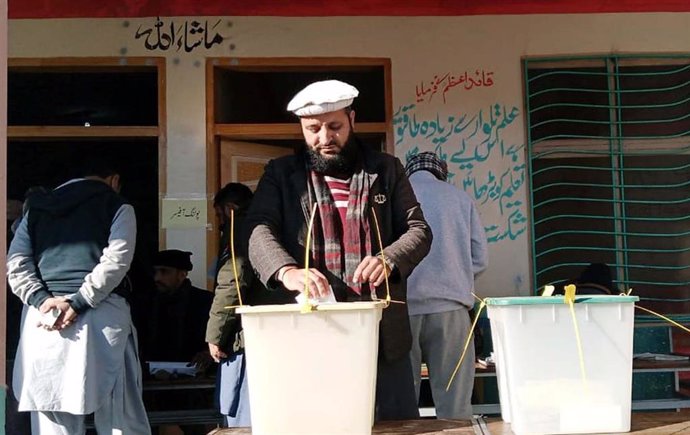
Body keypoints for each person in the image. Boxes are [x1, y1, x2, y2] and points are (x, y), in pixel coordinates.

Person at [245, 79, 432, 420]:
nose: (324, 139)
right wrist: (287, 271)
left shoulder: (386, 169)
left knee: (394, 426)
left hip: (382, 337)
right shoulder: (281, 174)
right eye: (313, 129)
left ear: (352, 120)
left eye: (334, 127)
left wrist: (389, 258)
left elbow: (418, 230)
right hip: (310, 332)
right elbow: (258, 229)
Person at [7, 161, 150, 435]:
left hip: (44, 320)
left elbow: (16, 263)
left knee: (53, 415)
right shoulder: (118, 206)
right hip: (102, 314)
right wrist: (79, 301)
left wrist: (41, 300)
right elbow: (116, 260)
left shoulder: (35, 208)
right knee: (120, 414)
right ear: (114, 179)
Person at [404, 151, 489, 420]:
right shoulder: (460, 199)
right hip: (451, 310)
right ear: (441, 173)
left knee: (402, 401)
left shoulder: (398, 197)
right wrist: (456, 276)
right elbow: (480, 258)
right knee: (454, 404)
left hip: (403, 311)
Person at [206, 182, 294, 427]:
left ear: (230, 208)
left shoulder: (240, 231)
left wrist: (215, 335)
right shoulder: (271, 227)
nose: (218, 221)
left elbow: (232, 283)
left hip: (247, 338)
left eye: (219, 214)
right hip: (276, 333)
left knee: (243, 418)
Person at [147, 249, 214, 372]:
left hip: (195, 378)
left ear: (182, 274)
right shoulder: (146, 303)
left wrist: (208, 353)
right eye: (155, 272)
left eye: (164, 272)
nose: (157, 278)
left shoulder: (205, 302)